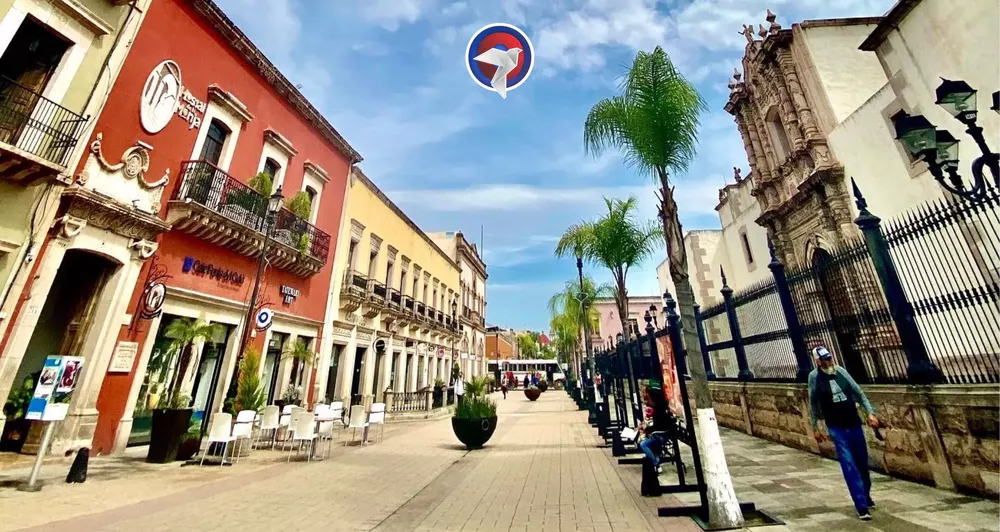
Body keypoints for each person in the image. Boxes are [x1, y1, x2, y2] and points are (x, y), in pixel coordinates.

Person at [808, 346, 879, 521]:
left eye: (829, 358)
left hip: (854, 423)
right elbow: (813, 403)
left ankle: (866, 495)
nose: (827, 362)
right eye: (824, 359)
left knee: (862, 464)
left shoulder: (841, 371)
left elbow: (859, 393)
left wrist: (870, 413)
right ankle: (861, 505)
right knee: (848, 464)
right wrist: (815, 427)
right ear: (817, 361)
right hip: (836, 427)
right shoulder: (814, 377)